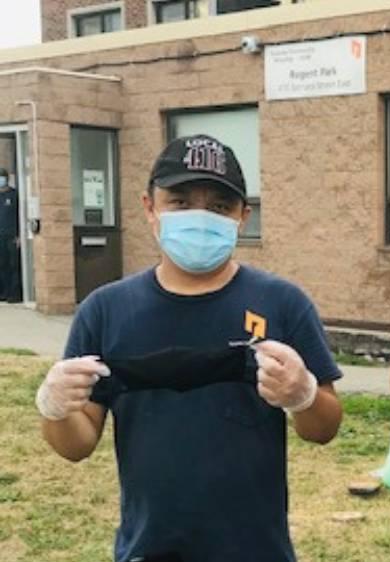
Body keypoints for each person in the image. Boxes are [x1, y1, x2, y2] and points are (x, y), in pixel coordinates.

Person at [35, 135, 344, 562]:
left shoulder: (283, 304)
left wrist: (304, 395)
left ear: (243, 217)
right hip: (149, 547)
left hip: (257, 550)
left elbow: (324, 428)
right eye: (180, 202)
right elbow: (77, 445)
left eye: (219, 207)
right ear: (150, 208)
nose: (199, 217)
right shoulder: (105, 311)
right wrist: (55, 408)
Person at [0, 167, 21, 302]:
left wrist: (19, 235)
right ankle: (4, 292)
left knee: (14, 264)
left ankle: (15, 294)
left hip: (12, 236)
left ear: (7, 179)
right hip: (0, 236)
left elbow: (20, 215)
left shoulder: (14, 195)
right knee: (2, 265)